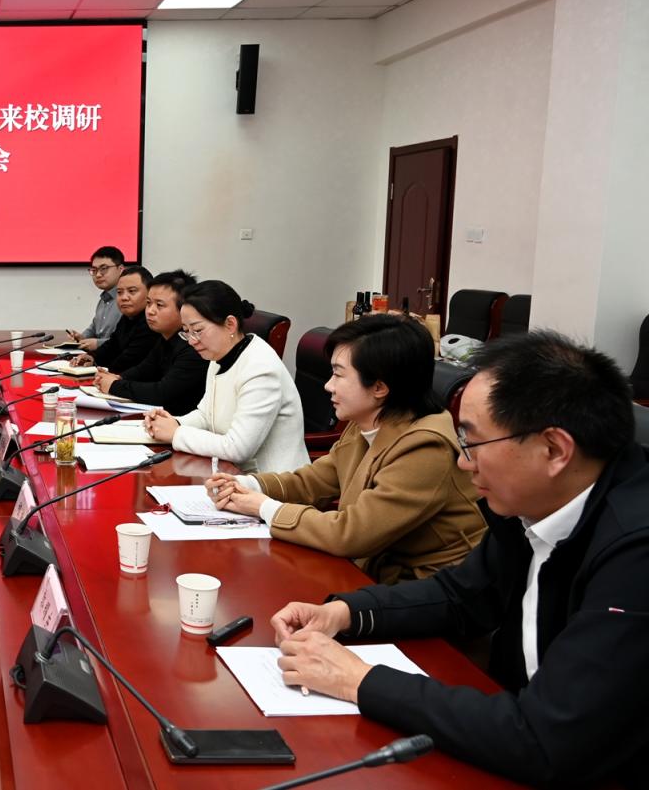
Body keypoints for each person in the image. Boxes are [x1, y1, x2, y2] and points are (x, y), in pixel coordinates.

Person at [271, 332, 648, 786]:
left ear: (554, 450)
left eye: (471, 442)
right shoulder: (531, 502)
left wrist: (359, 680)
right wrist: (346, 612)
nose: (464, 464)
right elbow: (462, 596)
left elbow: (547, 738)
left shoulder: (636, 552)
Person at [206, 314, 485, 583]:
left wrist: (265, 507)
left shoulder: (426, 448)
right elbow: (314, 481)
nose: (328, 386)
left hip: (427, 588)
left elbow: (351, 534)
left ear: (379, 387)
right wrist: (247, 485)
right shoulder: (368, 419)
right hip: (373, 570)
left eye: (339, 375)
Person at [145, 280, 307, 473]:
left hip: (272, 481)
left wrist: (176, 433)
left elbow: (238, 449)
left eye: (198, 330)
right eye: (186, 332)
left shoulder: (261, 368)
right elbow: (206, 415)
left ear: (230, 324)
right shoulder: (218, 355)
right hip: (229, 473)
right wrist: (174, 422)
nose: (192, 341)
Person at [96, 269, 207, 414]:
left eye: (159, 305)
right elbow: (144, 369)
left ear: (184, 309)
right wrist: (118, 378)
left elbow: (162, 393)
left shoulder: (194, 346)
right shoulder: (165, 338)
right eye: (149, 303)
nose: (150, 311)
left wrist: (114, 385)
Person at [72, 264, 157, 374]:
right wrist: (93, 357)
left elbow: (128, 361)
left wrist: (100, 370)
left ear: (150, 293)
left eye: (132, 291)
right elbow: (112, 345)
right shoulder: (127, 317)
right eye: (119, 292)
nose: (124, 297)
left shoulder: (151, 321)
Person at [66, 246, 124, 352]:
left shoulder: (126, 300)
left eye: (104, 269)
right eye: (94, 270)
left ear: (120, 269)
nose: (98, 275)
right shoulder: (103, 300)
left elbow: (124, 339)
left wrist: (97, 343)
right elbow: (94, 328)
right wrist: (81, 338)